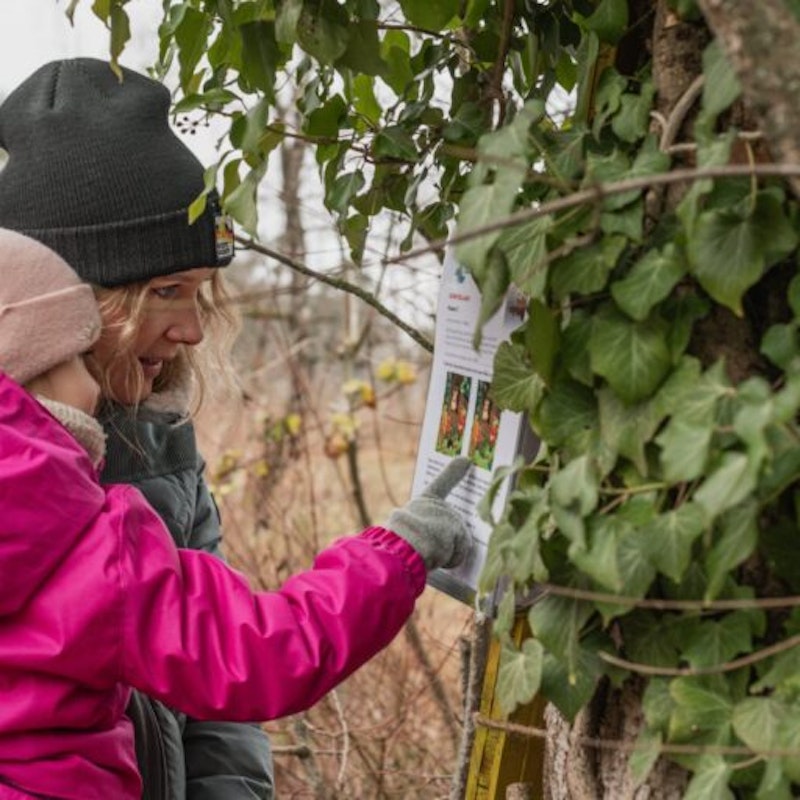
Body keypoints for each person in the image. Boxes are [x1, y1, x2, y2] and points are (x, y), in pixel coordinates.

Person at [0, 226, 472, 799]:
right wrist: (398, 552)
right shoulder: (90, 551)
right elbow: (260, 650)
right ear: (32, 372)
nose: (93, 385)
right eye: (79, 356)